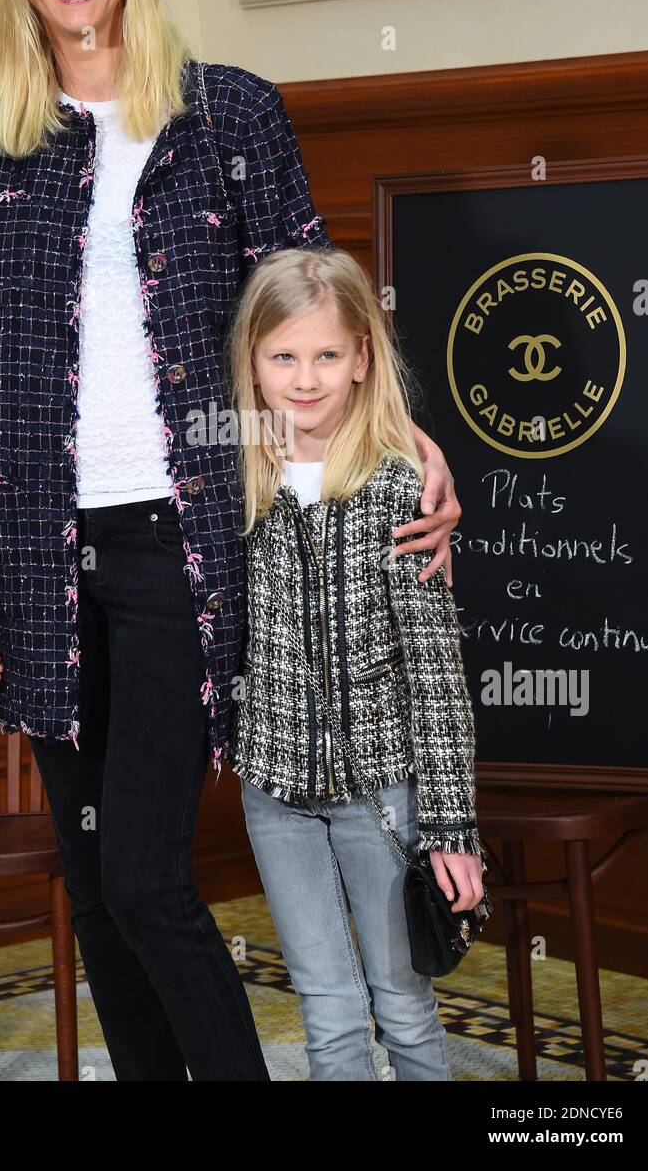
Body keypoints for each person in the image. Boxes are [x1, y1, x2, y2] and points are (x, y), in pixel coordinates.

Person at [0, 0, 463, 1081]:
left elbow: (316, 308)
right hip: (31, 549)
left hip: (181, 543)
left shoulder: (226, 109)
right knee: (94, 888)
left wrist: (411, 437)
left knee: (146, 875)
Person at [226, 246, 487, 1081]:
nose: (306, 379)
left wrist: (451, 830)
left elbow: (438, 678)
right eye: (284, 357)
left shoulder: (397, 486)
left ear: (363, 357)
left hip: (385, 788)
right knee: (327, 1009)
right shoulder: (233, 480)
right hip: (275, 792)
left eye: (328, 355)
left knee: (404, 1003)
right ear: (254, 363)